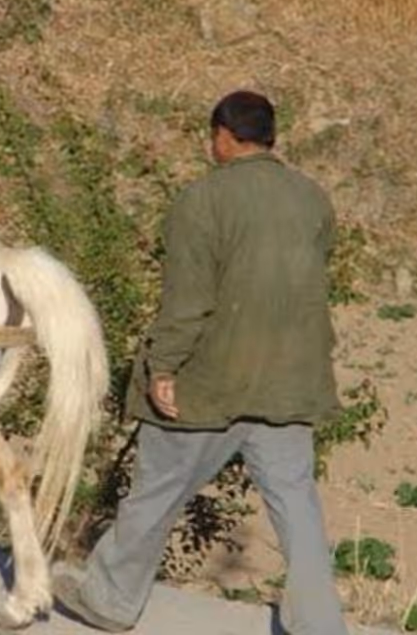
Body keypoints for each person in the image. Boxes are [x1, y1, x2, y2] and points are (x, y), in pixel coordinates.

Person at [53, 90, 350, 634]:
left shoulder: (203, 200)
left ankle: (111, 601)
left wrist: (162, 368)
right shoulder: (312, 199)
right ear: (269, 136)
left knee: (157, 489)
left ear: (222, 136)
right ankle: (322, 627)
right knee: (297, 509)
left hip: (211, 382)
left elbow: (188, 301)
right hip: (287, 383)